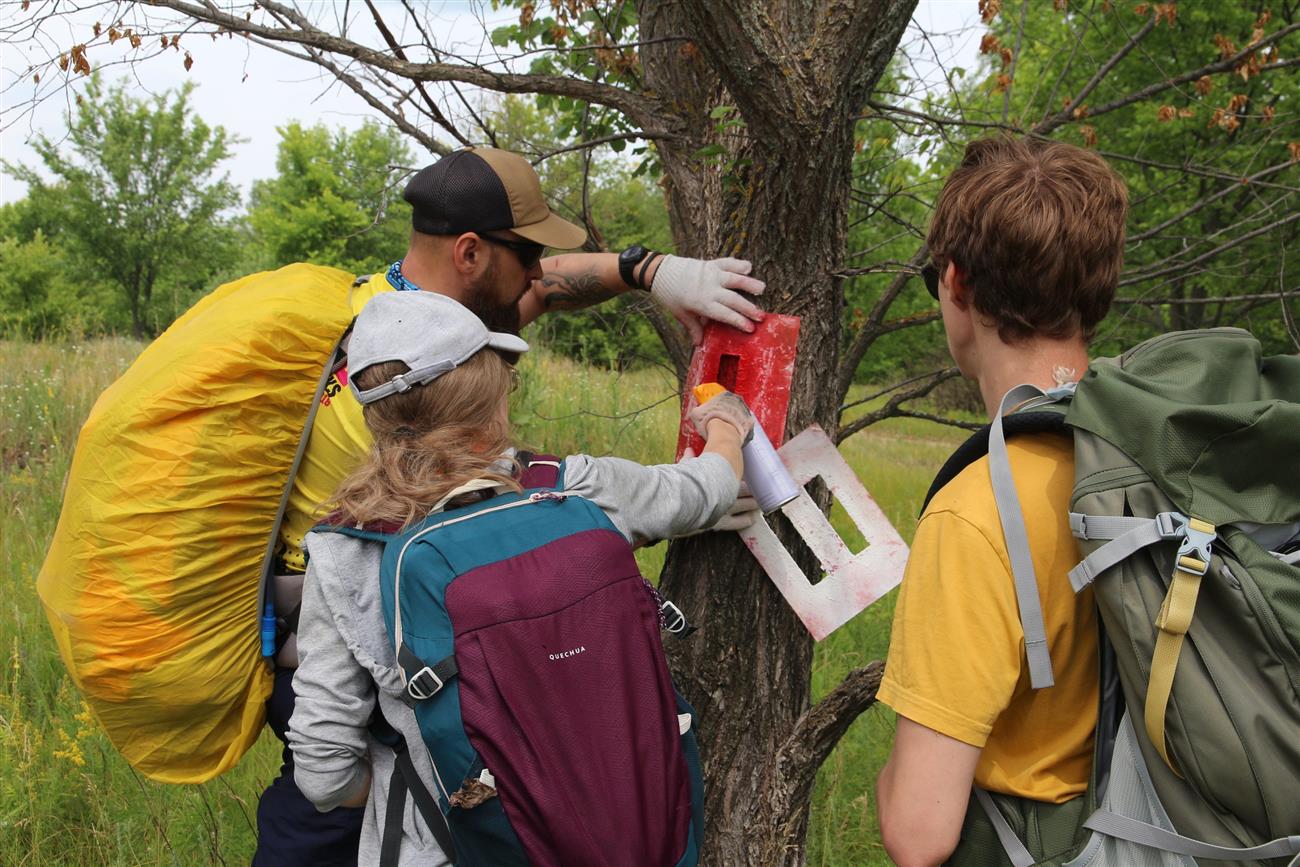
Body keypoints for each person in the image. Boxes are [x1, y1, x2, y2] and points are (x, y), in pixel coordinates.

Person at [254, 145, 766, 865]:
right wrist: (727, 431)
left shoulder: (340, 540)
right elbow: (698, 492)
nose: (534, 276)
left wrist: (415, 783)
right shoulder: (565, 483)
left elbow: (320, 768)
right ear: (490, 386)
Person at [873, 136, 1129, 867]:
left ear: (956, 283)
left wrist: (889, 784)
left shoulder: (977, 512)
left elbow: (918, 835)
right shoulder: (1153, 454)